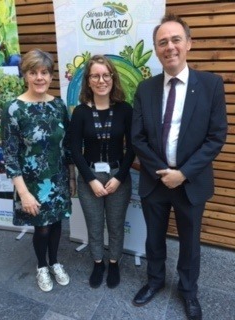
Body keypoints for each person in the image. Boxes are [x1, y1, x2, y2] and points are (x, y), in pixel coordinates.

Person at [131, 13, 227, 320]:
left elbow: (216, 137)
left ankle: (188, 292)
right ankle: (155, 281)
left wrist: (183, 173)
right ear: (156, 49)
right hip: (155, 179)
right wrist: (164, 172)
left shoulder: (211, 85)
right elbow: (138, 137)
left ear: (188, 44)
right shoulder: (145, 89)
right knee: (154, 237)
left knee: (190, 242)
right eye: (162, 42)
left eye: (175, 40)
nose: (169, 47)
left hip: (191, 181)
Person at [1, 49, 76, 292]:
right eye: (33, 72)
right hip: (31, 183)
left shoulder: (58, 105)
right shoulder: (13, 108)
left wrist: (71, 177)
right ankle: (42, 266)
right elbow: (10, 154)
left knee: (56, 225)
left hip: (58, 178)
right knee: (42, 227)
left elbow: (67, 146)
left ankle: (55, 262)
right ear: (26, 75)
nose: (40, 78)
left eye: (44, 72)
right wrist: (23, 193)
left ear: (51, 75)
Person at [69, 54, 135, 289]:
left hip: (119, 177)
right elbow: (75, 149)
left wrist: (119, 177)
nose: (101, 80)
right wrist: (90, 180)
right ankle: (98, 263)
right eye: (95, 75)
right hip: (90, 178)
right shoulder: (80, 112)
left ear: (113, 78)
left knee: (116, 225)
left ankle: (114, 263)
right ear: (88, 81)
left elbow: (132, 147)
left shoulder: (125, 110)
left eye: (106, 75)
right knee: (95, 225)